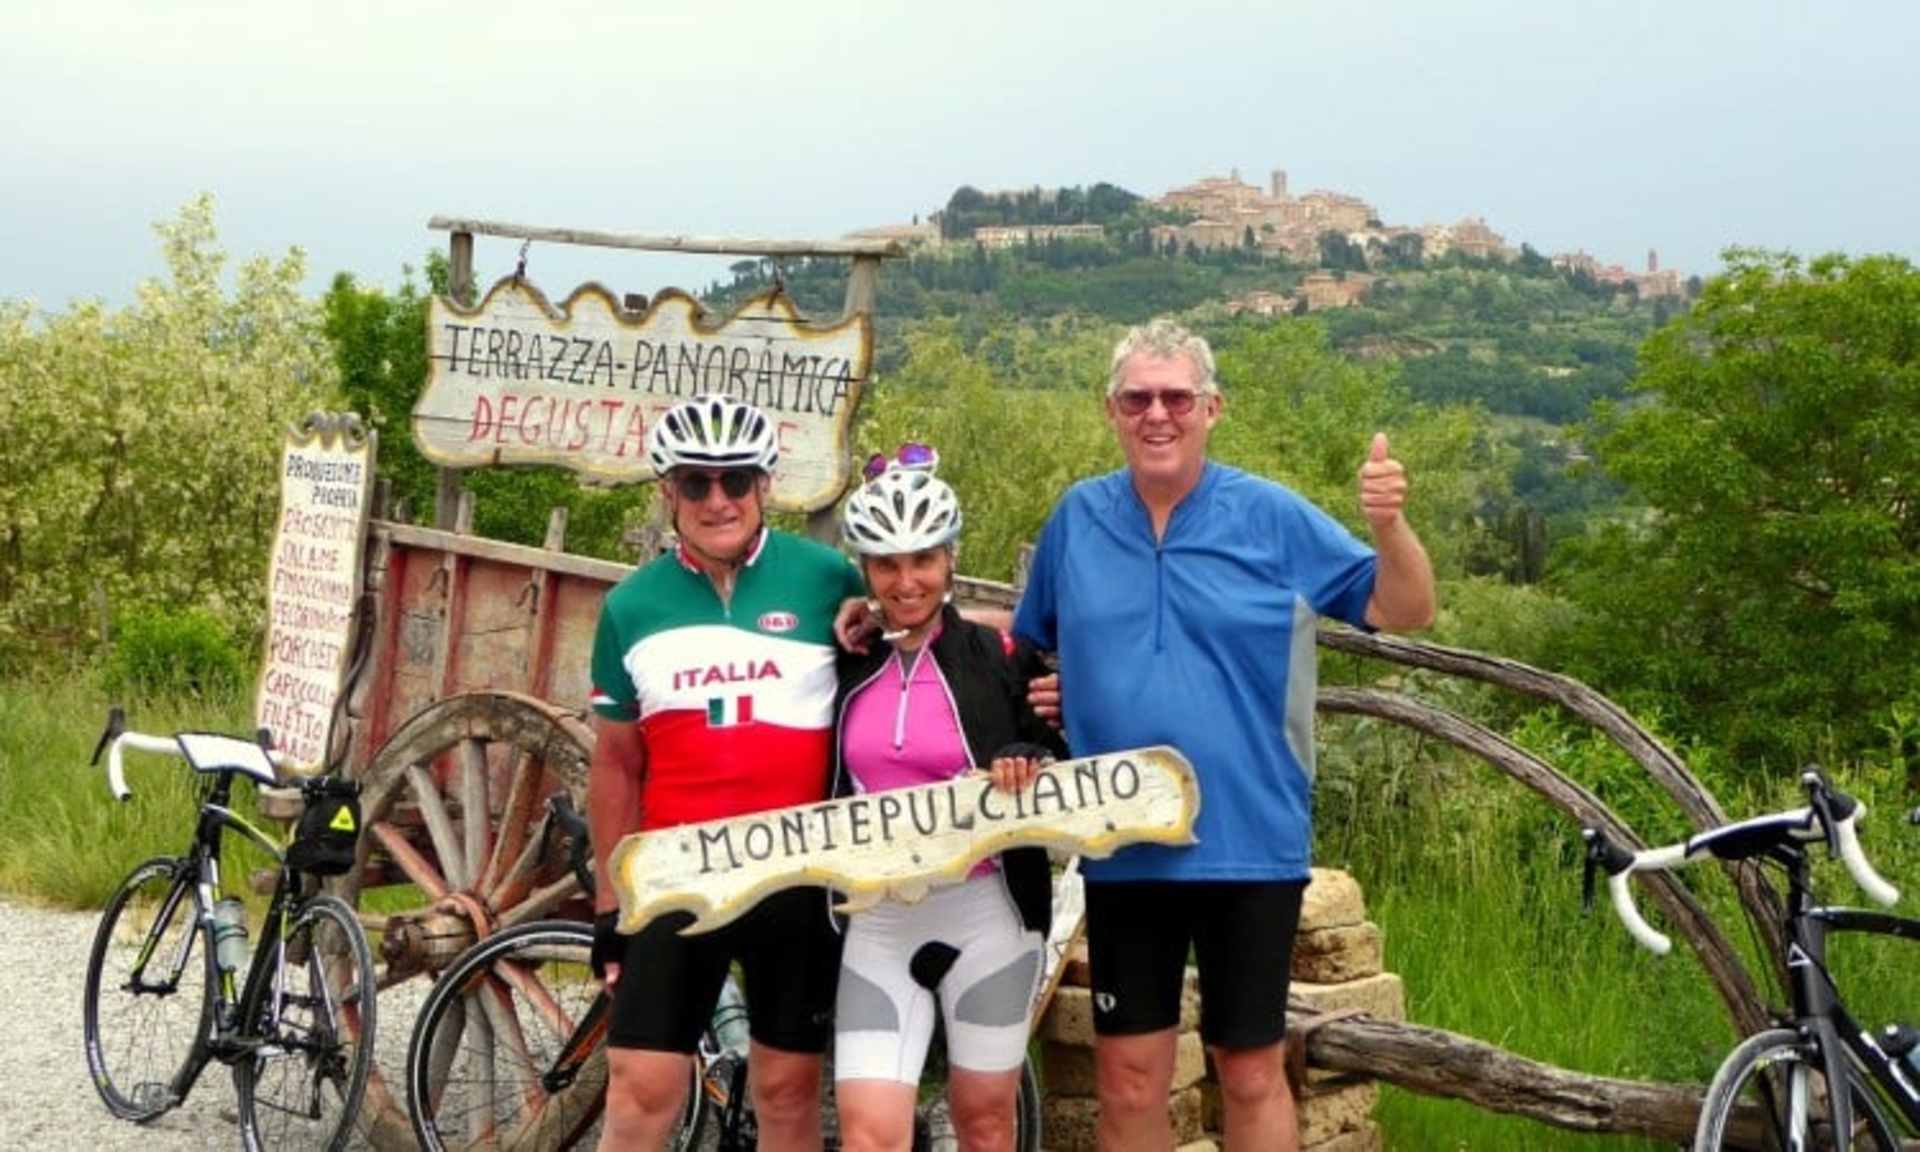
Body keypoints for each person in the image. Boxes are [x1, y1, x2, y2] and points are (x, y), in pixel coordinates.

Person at [1011, 319, 1435, 1152]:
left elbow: (1404, 609)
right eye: (1139, 398)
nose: (1157, 414)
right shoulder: (1077, 519)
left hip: (1250, 840)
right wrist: (880, 618)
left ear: (1212, 408)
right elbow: (1025, 643)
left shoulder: (1270, 516)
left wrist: (1389, 526)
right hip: (1125, 843)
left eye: (1177, 398)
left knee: (1248, 1067)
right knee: (1128, 1077)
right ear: (1112, 409)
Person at [586, 395, 866, 1152]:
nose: (719, 500)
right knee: (643, 1086)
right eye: (697, 482)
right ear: (667, 492)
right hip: (679, 869)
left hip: (797, 872)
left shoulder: (827, 577)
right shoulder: (630, 607)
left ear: (765, 486)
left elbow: (914, 645)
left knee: (787, 1089)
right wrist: (611, 906)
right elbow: (615, 765)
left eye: (736, 480)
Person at [831, 462, 1067, 1152]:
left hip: (990, 913)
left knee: (986, 1123)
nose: (907, 582)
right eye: (887, 565)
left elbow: (1067, 738)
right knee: (870, 1134)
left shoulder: (1001, 654)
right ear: (865, 571)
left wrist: (1030, 751)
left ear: (951, 558)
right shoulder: (845, 656)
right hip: (876, 922)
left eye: (924, 560)